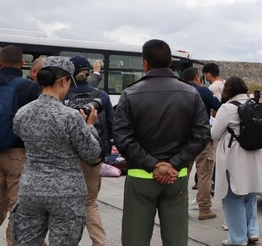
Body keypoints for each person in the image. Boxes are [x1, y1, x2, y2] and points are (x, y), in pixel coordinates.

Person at [113, 39, 211, 246]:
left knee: (135, 238)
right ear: (171, 63)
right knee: (176, 238)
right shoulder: (190, 93)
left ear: (145, 63)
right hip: (177, 177)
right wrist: (174, 163)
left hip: (140, 176)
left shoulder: (130, 93)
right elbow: (202, 134)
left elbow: (122, 136)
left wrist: (153, 165)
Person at [11, 56, 102, 246]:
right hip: (66, 192)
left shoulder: (23, 113)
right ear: (64, 81)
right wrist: (90, 126)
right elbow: (92, 153)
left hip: (31, 189)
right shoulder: (69, 117)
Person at [213, 76, 262, 246]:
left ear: (227, 90)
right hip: (256, 155)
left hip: (235, 157)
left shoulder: (227, 108)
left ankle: (237, 238)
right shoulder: (256, 103)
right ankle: (252, 232)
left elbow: (214, 134)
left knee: (232, 196)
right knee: (250, 194)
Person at [65, 55, 114, 246]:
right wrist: (106, 152)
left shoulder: (62, 96)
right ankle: (99, 242)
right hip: (94, 157)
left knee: (67, 203)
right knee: (90, 202)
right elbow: (111, 124)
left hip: (69, 158)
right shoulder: (101, 96)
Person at [0, 46, 40, 246]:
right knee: (17, 207)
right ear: (22, 63)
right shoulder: (29, 87)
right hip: (18, 154)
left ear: (0, 62)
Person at [182, 67, 221, 221]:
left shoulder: (178, 91)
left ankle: (181, 209)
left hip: (182, 139)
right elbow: (219, 107)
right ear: (197, 77)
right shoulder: (204, 92)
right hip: (202, 138)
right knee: (204, 174)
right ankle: (204, 209)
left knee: (182, 174)